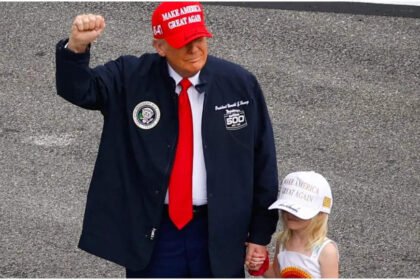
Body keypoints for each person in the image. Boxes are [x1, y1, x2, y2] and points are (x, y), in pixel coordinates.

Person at [55, 2, 279, 278]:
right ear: (160, 46)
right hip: (156, 231)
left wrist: (259, 234)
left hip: (219, 230)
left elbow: (263, 159)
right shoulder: (130, 77)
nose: (194, 49)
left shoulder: (239, 84)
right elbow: (79, 89)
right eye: (184, 42)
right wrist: (76, 49)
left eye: (199, 39)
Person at [247, 171, 339, 278]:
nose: (290, 214)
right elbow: (277, 274)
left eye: (298, 211)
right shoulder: (283, 241)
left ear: (320, 214)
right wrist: (259, 264)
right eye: (286, 209)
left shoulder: (326, 251)